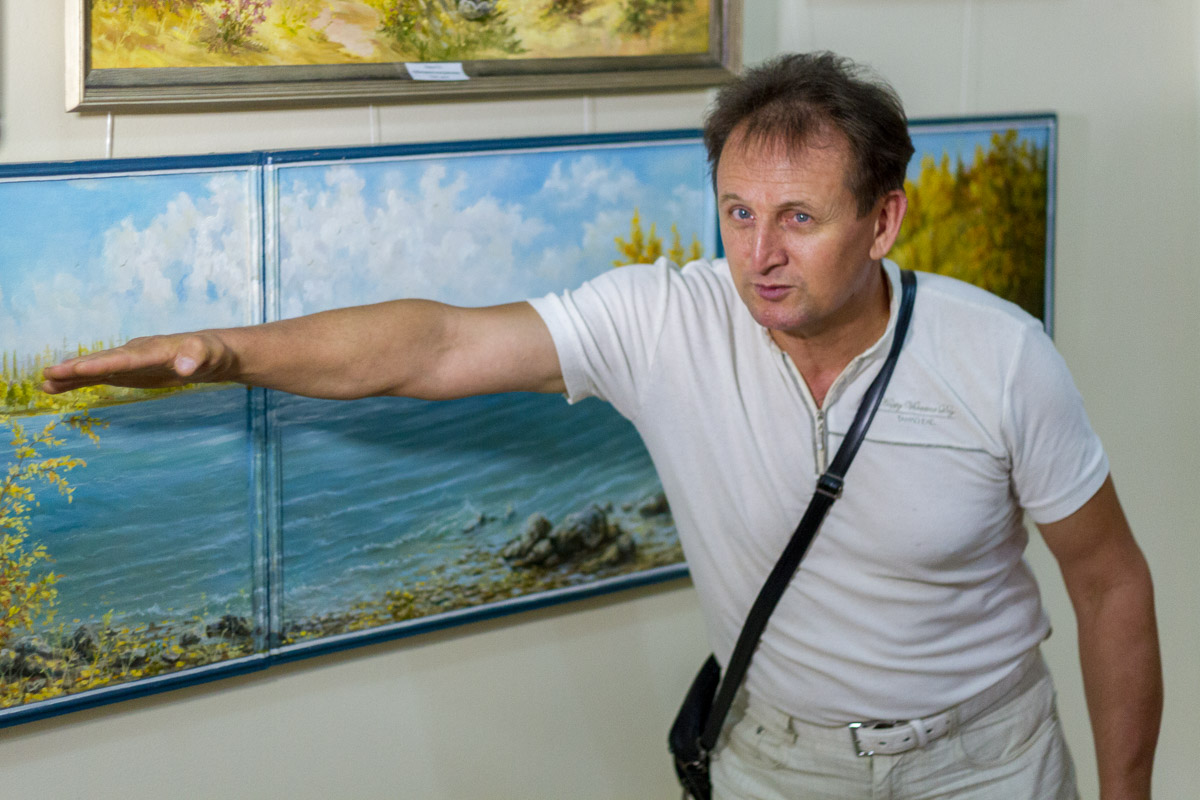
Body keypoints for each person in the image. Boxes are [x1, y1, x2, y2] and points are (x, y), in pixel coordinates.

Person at [43, 52, 1160, 799]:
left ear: (883, 219)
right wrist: (225, 351)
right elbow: (435, 344)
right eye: (737, 212)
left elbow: (1111, 586)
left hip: (984, 760)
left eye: (798, 218)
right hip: (777, 760)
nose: (759, 255)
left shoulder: (999, 356)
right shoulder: (665, 319)